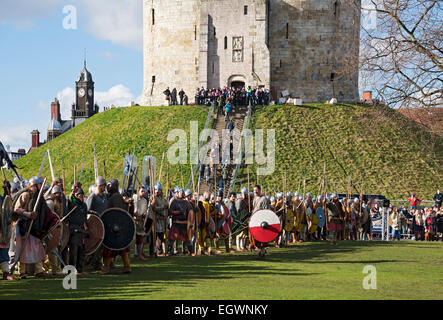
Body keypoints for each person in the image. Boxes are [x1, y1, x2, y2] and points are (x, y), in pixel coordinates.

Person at [13, 176, 49, 279]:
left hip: (35, 226)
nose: (41, 187)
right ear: (34, 185)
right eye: (40, 185)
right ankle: (22, 271)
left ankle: (38, 270)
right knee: (23, 248)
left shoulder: (41, 198)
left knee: (37, 248)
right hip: (23, 226)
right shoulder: (26, 195)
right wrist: (28, 214)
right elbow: (16, 209)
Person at [100, 179, 132, 275]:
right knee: (119, 248)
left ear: (114, 186)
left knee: (111, 246)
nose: (108, 187)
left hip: (115, 225)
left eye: (109, 185)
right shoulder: (113, 196)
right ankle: (126, 266)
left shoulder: (116, 196)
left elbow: (117, 212)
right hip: (113, 225)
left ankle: (106, 267)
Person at [66, 188, 88, 274]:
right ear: (76, 196)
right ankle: (71, 269)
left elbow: (84, 218)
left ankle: (80, 269)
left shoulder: (84, 205)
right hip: (73, 229)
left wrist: (86, 226)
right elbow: (69, 199)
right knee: (73, 250)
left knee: (81, 250)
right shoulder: (73, 203)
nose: (81, 197)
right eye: (80, 195)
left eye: (82, 195)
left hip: (81, 229)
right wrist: (72, 193)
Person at [251, 185, 270, 259]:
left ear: (260, 190)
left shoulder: (264, 199)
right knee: (255, 237)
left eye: (256, 190)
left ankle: (262, 252)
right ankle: (261, 250)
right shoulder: (255, 199)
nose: (255, 191)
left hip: (262, 221)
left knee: (262, 238)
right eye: (254, 190)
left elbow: (266, 210)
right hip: (255, 220)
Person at [151, 182, 168, 256]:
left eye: (158, 190)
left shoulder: (163, 199)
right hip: (156, 219)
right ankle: (156, 251)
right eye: (155, 190)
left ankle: (161, 251)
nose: (157, 191)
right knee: (156, 235)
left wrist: (167, 206)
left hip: (162, 220)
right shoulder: (153, 198)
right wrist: (163, 207)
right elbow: (154, 208)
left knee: (161, 235)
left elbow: (166, 208)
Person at [133, 186, 149, 260]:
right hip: (133, 220)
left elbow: (144, 211)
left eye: (144, 191)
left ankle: (139, 254)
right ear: (138, 191)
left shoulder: (145, 201)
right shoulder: (134, 198)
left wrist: (145, 214)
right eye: (141, 191)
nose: (143, 192)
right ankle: (132, 254)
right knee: (132, 238)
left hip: (140, 221)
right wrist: (133, 211)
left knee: (140, 238)